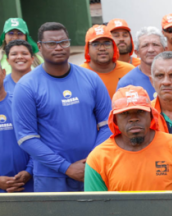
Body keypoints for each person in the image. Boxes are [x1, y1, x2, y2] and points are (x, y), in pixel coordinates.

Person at [13, 22, 111, 192]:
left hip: (92, 170)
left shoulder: (91, 78)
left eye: (63, 42)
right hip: (51, 176)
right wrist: (66, 167)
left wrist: (92, 160)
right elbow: (26, 137)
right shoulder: (26, 86)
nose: (58, 47)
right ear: (39, 47)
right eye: (51, 43)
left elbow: (107, 123)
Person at [83, 85, 172, 191]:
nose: (133, 118)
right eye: (125, 113)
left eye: (140, 111)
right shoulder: (98, 159)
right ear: (115, 119)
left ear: (151, 115)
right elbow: (96, 207)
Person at [0, 66, 33, 193]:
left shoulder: (21, 103)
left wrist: (29, 171)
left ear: (3, 73)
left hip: (28, 184)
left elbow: (40, 138)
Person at [80, 25, 134, 98]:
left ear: (113, 47)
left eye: (107, 43)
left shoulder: (130, 71)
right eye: (96, 44)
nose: (102, 48)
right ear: (87, 48)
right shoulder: (79, 74)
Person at [116, 27, 167, 99]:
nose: (151, 50)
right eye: (145, 45)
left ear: (165, 50)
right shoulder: (126, 83)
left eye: (155, 44)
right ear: (137, 52)